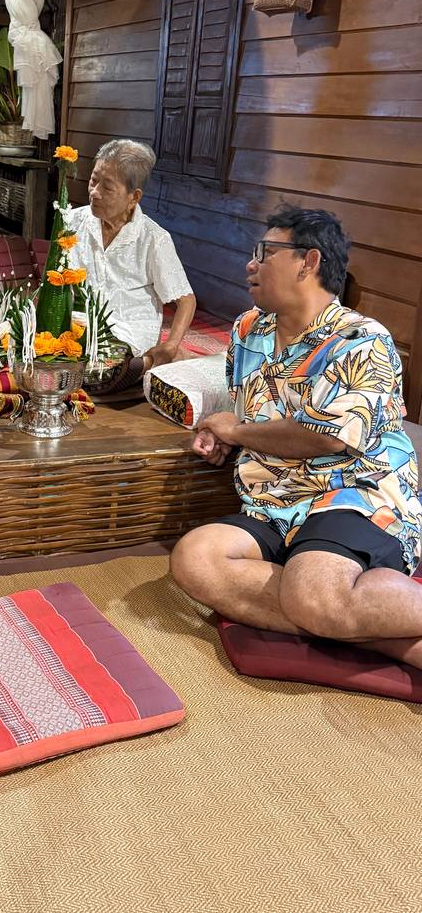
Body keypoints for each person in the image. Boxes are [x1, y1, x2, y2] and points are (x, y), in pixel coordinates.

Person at [171, 204, 422, 669]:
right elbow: (250, 413)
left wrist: (239, 430)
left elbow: (326, 437)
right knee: (195, 558)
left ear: (309, 262)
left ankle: (328, 601)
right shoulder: (249, 329)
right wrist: (227, 437)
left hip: (354, 492)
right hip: (273, 501)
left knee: (313, 593)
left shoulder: (363, 340)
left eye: (264, 252)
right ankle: (379, 636)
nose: (251, 263)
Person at [65, 139, 196, 392]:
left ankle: (147, 363)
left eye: (108, 187)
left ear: (133, 197)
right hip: (78, 328)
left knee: (98, 372)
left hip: (127, 333)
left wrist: (171, 345)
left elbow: (186, 300)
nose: (94, 192)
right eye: (93, 181)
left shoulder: (154, 239)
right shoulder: (71, 221)